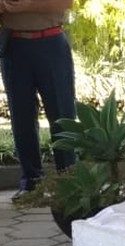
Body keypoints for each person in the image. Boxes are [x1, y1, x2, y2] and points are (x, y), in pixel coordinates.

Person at [0, 0, 76, 200]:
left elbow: (65, 3)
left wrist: (22, 6)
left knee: (62, 115)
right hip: (14, 46)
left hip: (51, 42)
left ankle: (69, 183)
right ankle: (31, 183)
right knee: (21, 117)